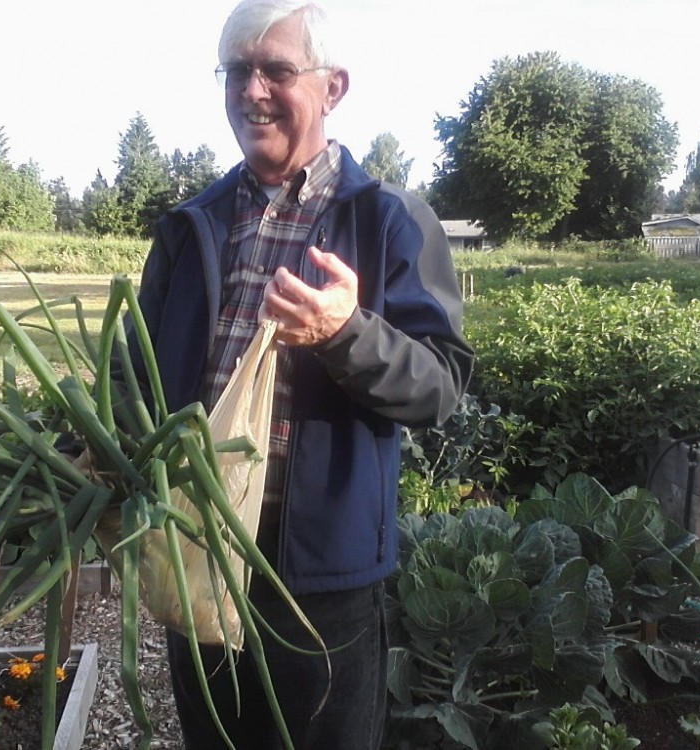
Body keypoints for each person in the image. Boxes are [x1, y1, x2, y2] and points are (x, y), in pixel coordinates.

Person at [120, 1, 473, 747]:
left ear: (333, 87)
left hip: (321, 578)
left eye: (276, 70)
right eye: (236, 72)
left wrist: (345, 333)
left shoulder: (388, 220)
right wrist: (99, 439)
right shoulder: (194, 225)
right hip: (200, 550)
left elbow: (439, 386)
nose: (251, 91)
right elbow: (135, 372)